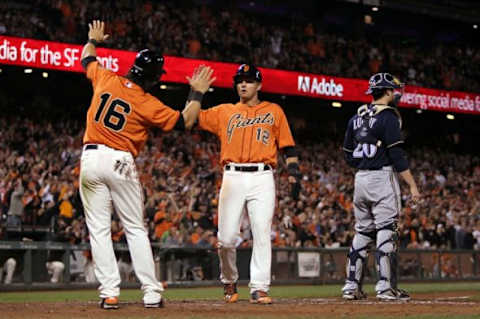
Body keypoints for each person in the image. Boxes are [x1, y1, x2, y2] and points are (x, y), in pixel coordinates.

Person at [79, 20, 215, 309]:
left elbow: (86, 57)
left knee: (99, 230)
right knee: (135, 228)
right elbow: (186, 121)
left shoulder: (106, 78)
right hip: (120, 161)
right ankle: (151, 293)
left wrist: (93, 38)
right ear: (153, 78)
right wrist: (197, 92)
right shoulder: (146, 102)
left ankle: (109, 293)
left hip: (90, 159)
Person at [196, 64, 300, 304]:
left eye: (248, 80)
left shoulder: (274, 111)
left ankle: (259, 286)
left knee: (262, 232)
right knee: (226, 238)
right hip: (232, 175)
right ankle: (229, 279)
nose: (243, 84)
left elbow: (288, 146)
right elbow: (192, 117)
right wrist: (196, 93)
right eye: (239, 80)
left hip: (263, 176)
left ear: (259, 85)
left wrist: (294, 172)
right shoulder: (225, 111)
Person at [341, 73, 421, 301]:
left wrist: (363, 165)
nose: (397, 93)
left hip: (360, 179)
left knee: (363, 231)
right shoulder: (389, 117)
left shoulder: (356, 117)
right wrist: (413, 186)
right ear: (387, 91)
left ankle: (351, 286)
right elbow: (397, 154)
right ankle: (385, 287)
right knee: (387, 230)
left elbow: (347, 153)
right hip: (382, 177)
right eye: (394, 90)